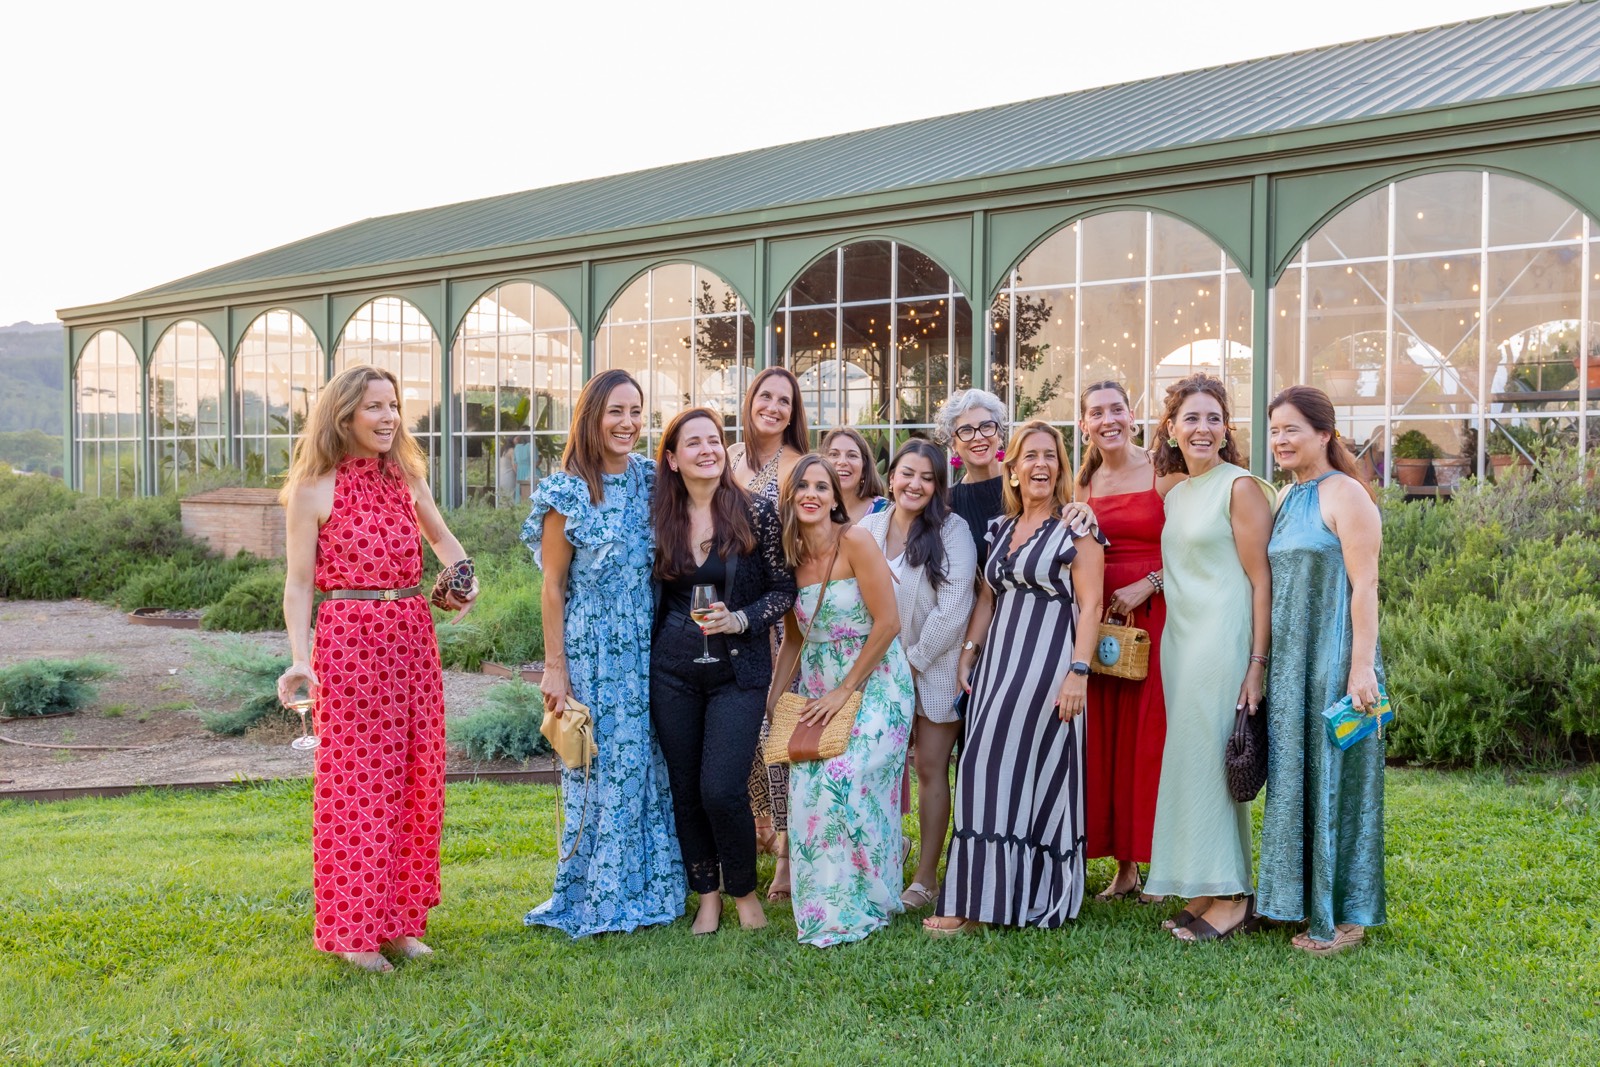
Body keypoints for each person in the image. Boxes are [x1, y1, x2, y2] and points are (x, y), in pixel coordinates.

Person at [276, 363, 478, 973]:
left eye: (395, 405)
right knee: (358, 788)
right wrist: (299, 660)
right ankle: (351, 930)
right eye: (375, 407)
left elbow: (447, 544)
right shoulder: (314, 487)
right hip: (349, 645)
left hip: (412, 639)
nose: (390, 417)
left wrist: (460, 583)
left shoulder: (407, 478)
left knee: (416, 781)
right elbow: (298, 584)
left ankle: (400, 921)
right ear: (345, 415)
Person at [522, 368, 685, 937]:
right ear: (591, 417)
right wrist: (554, 668)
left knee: (644, 761)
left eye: (636, 411)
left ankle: (651, 883)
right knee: (598, 764)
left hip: (647, 641)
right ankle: (596, 891)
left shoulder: (651, 479)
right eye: (615, 411)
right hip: (591, 644)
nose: (628, 423)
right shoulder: (566, 489)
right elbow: (552, 587)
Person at [926, 420, 1107, 934]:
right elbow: (987, 596)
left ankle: (1010, 899)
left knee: (1021, 774)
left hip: (1050, 665)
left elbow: (1091, 606)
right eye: (1030, 456)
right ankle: (980, 896)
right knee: (980, 768)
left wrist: (1078, 672)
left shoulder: (1078, 528)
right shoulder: (1001, 529)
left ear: (1062, 468)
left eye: (1051, 456)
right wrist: (969, 651)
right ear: (1013, 469)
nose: (1041, 465)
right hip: (997, 665)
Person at [649, 407, 797, 935]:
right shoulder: (658, 515)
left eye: (714, 440)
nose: (708, 450)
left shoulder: (757, 512)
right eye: (693, 443)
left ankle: (744, 891)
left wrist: (741, 619)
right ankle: (707, 896)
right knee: (686, 788)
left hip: (739, 673)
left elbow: (784, 590)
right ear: (672, 458)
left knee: (721, 788)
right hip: (672, 673)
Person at [1144, 374, 1275, 943]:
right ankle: (1204, 881)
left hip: (1223, 641)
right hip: (1181, 641)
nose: (1203, 428)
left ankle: (1231, 897)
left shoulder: (1239, 487)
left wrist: (1256, 661)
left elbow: (1261, 579)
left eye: (1213, 418)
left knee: (1216, 765)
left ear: (1227, 429)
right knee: (1193, 761)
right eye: (1190, 418)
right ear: (1171, 429)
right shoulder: (1176, 491)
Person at [1258, 386, 1387, 955]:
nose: (1281, 441)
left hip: (1336, 659)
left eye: (1292, 430)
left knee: (1339, 784)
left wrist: (1362, 669)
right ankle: (1294, 899)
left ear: (1324, 434)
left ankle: (1345, 918)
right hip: (1290, 665)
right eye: (1275, 431)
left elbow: (1366, 586)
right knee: (1295, 780)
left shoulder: (1346, 494)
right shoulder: (1287, 499)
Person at [773, 454, 915, 947]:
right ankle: (826, 907)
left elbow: (889, 623)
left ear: (836, 497)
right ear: (790, 497)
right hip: (817, 688)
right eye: (802, 486)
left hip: (875, 681)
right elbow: (794, 639)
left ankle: (871, 898)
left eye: (822, 486)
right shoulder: (788, 556)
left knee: (846, 775)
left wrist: (845, 689)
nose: (812, 494)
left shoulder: (854, 541)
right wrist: (773, 702)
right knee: (807, 788)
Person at [1076, 381, 1185, 902]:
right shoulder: (1085, 483)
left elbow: (1196, 544)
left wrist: (1151, 582)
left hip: (1158, 614)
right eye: (1096, 412)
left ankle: (1161, 857)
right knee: (1111, 736)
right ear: (1084, 426)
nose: (1108, 419)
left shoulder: (1164, 471)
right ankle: (1124, 867)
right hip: (1105, 623)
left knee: (1152, 736)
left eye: (1116, 409)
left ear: (1133, 415)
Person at [858, 440, 976, 911]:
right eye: (908, 474)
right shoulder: (867, 528)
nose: (916, 484)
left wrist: (913, 659)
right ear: (892, 477)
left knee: (929, 769)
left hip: (935, 668)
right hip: (877, 671)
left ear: (938, 486)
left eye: (927, 478)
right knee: (878, 768)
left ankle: (926, 877)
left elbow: (955, 606)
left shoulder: (952, 530)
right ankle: (878, 863)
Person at [726, 366, 810, 899]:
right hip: (727, 614)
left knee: (777, 733)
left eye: (785, 400)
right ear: (750, 400)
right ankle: (760, 826)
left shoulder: (796, 465)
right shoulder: (728, 455)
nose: (774, 407)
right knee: (745, 739)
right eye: (766, 396)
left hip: (778, 618)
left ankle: (785, 855)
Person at [934, 389, 1007, 571]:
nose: (978, 436)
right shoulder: (949, 504)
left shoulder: (1025, 482)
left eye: (986, 426)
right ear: (953, 444)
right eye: (966, 430)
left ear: (999, 435)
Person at [822, 426, 889, 524]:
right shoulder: (815, 508)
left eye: (852, 455)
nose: (842, 462)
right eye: (834, 454)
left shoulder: (886, 511)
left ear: (864, 467)